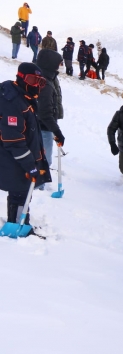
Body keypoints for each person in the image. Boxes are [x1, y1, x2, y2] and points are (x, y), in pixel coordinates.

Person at [0, 62, 52, 231]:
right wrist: (30, 165)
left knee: (21, 191)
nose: (36, 85)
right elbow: (13, 139)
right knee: (19, 192)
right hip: (13, 158)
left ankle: (20, 223)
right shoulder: (12, 101)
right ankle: (17, 226)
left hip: (21, 157)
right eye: (32, 80)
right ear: (21, 77)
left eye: (39, 81)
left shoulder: (23, 97)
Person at [35, 49, 65, 184]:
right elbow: (44, 111)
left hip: (46, 123)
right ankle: (40, 184)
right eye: (59, 63)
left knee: (43, 154)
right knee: (44, 157)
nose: (60, 66)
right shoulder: (45, 82)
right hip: (43, 125)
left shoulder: (50, 76)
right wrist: (57, 130)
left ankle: (40, 179)